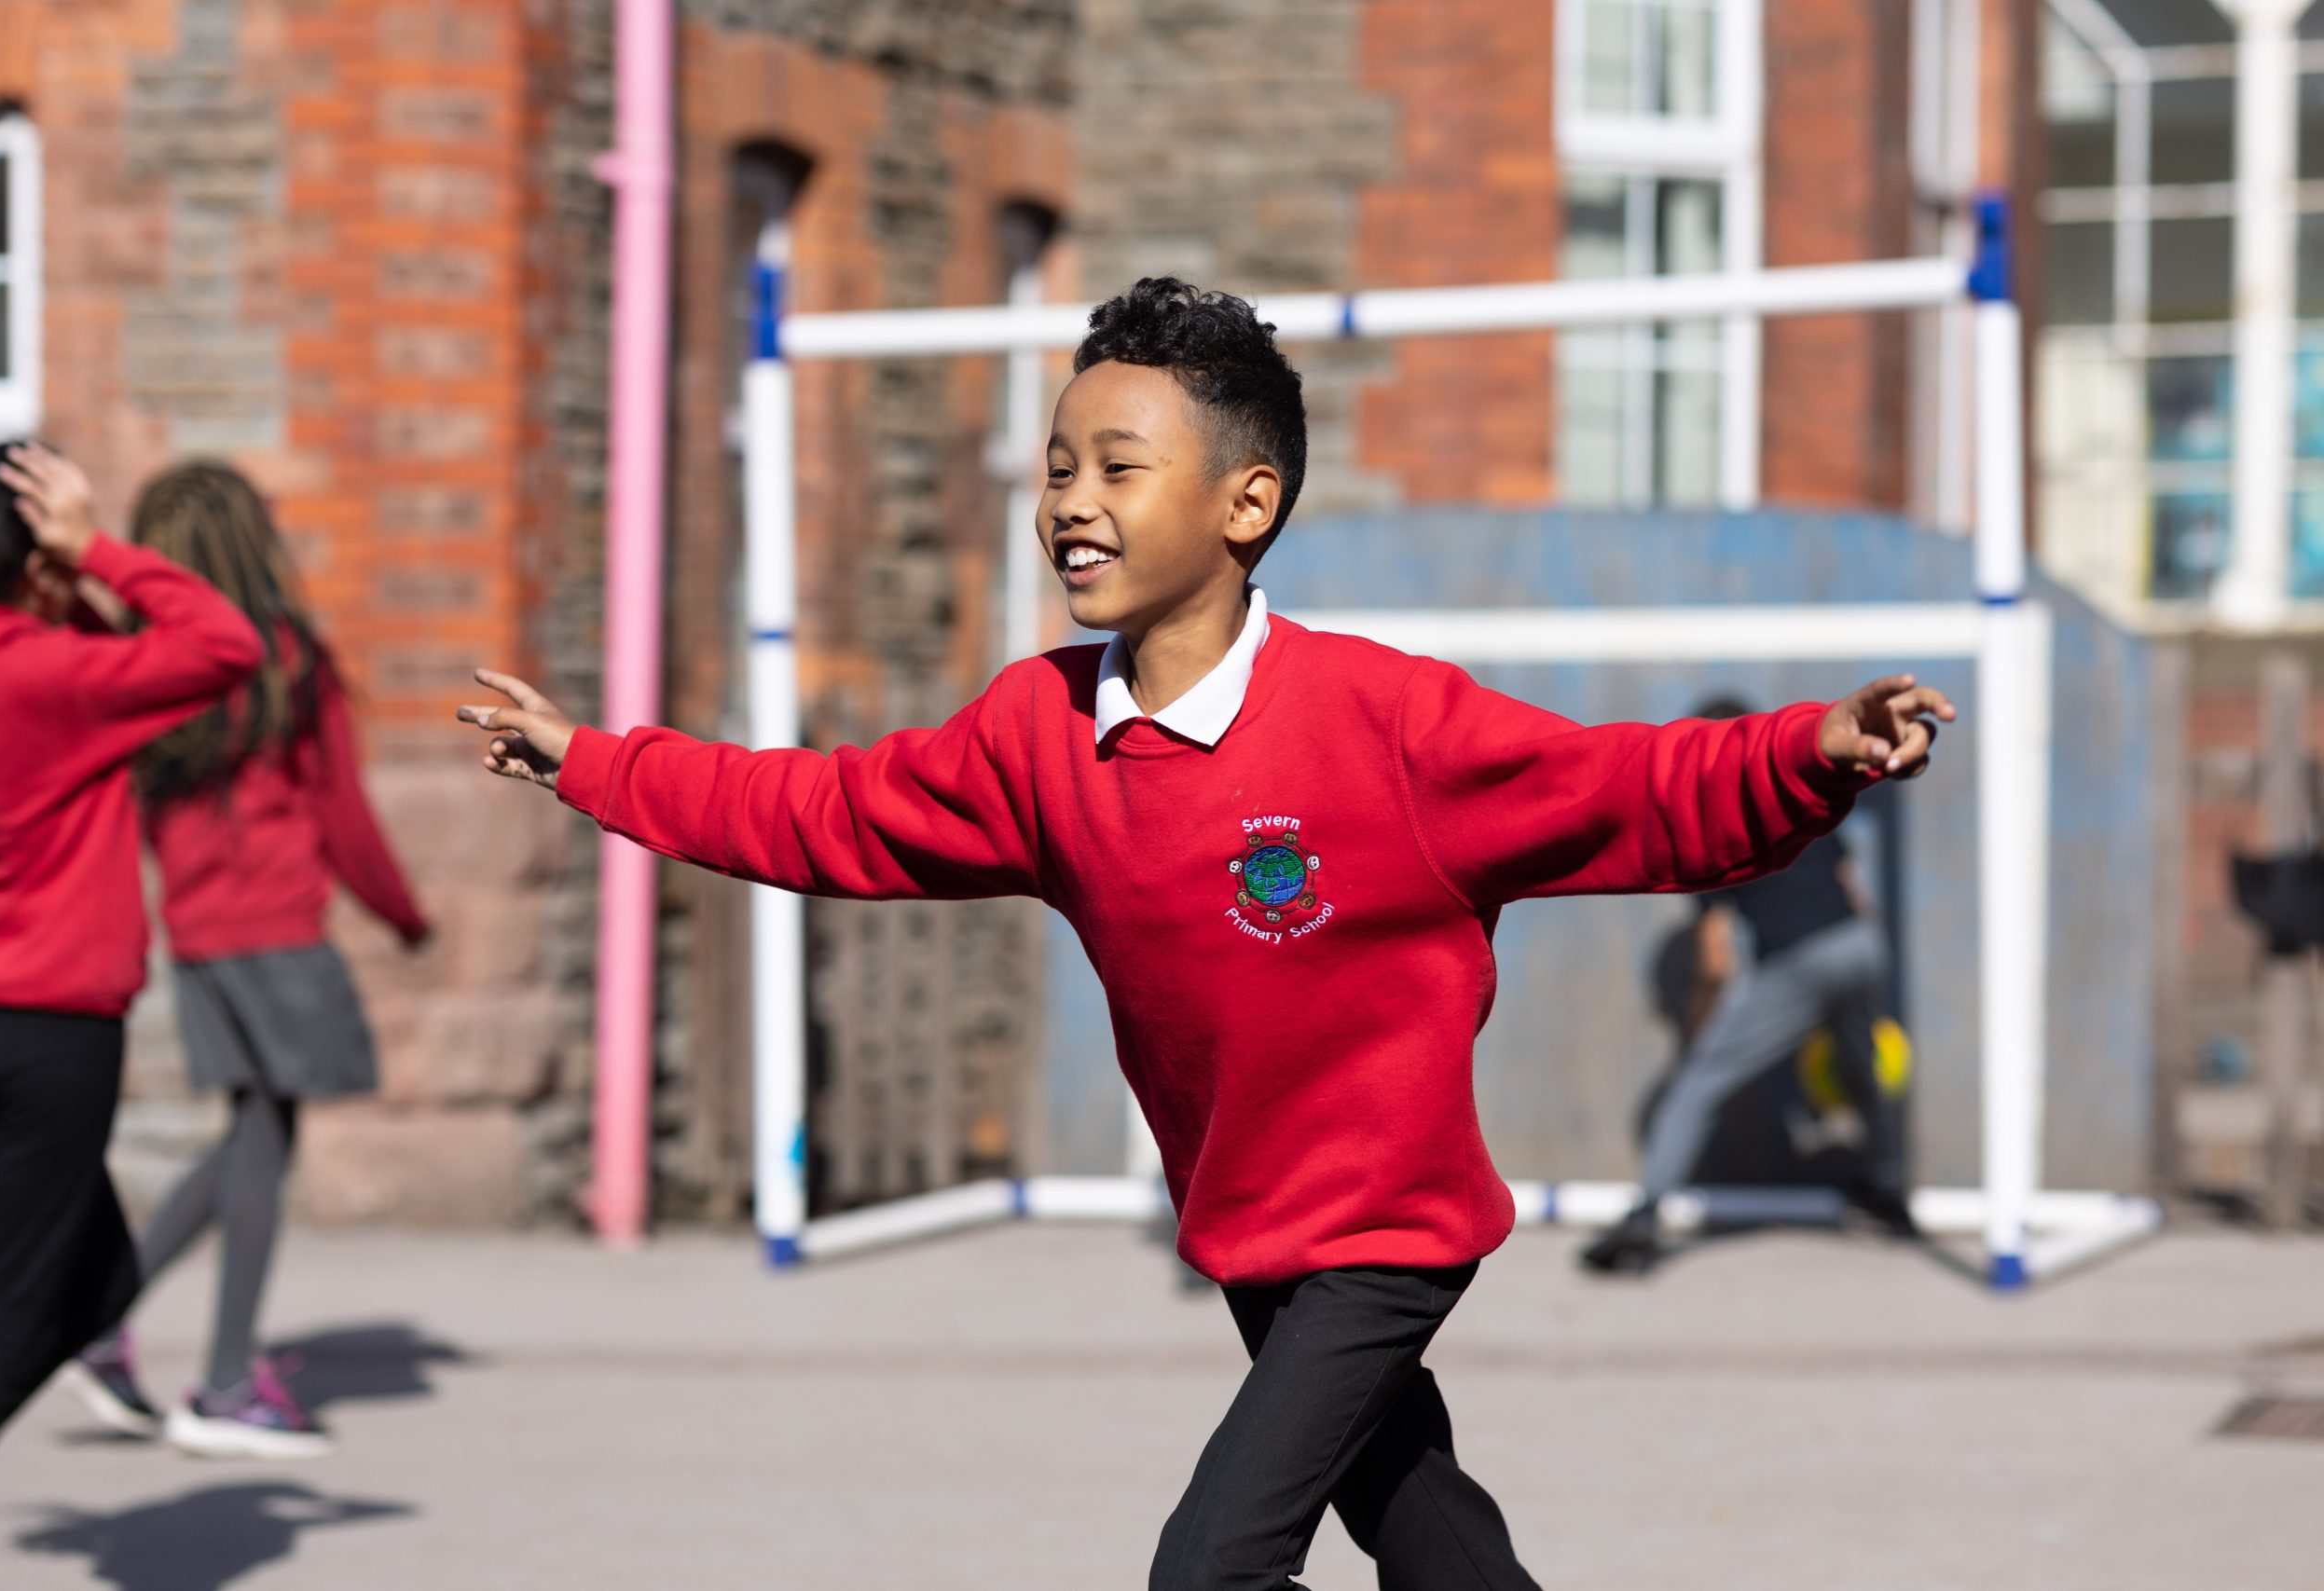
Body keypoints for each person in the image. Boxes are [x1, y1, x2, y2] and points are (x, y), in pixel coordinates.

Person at [457, 278, 1955, 1591]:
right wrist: (595, 761)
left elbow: (1620, 789)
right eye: (1057, 467)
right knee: (1435, 1542)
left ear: (1246, 504)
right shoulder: (1034, 734)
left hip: (1382, 1230)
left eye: (1118, 464)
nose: (1070, 500)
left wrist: (1811, 749)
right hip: (1248, 1226)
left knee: (1209, 1569)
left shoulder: (1382, 720)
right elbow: (828, 812)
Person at [0, 444, 261, 1586]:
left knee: (98, 1285)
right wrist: (99, 550)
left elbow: (130, 652)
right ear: (37, 563)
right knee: (18, 1324)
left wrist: (56, 570)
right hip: (54, 1040)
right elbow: (226, 646)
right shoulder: (44, 678)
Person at [62, 461, 430, 1460]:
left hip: (197, 933)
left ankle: (102, 1324)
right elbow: (342, 812)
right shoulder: (285, 661)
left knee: (250, 1133)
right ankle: (222, 1380)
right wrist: (404, 917)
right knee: (262, 1143)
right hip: (276, 929)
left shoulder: (150, 666)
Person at [1581, 694, 1916, 1276]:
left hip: (1802, 959)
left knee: (1698, 1084)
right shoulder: (1798, 790)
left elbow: (1715, 956)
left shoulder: (1710, 816)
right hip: (1860, 946)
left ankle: (1643, 1217)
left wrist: (1701, 1031)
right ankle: (1887, 1192)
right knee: (1859, 1067)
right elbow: (1852, 885)